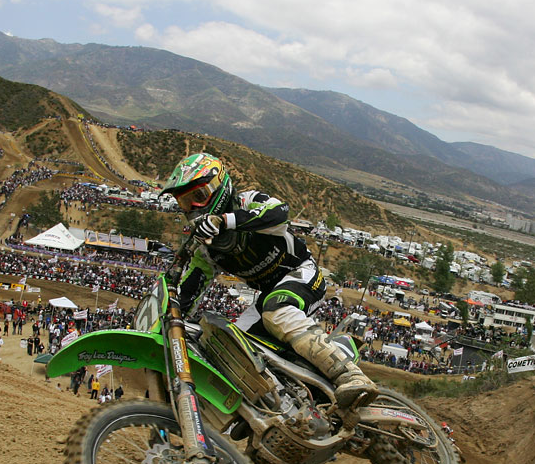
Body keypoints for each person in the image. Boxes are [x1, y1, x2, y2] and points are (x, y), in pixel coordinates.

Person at [160, 152, 377, 427]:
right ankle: (274, 411)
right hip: (267, 296)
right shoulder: (205, 248)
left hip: (302, 274)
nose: (192, 207)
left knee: (278, 309)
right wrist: (169, 315)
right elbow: (188, 291)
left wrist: (224, 220)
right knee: (232, 344)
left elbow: (279, 214)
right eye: (184, 202)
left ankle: (350, 375)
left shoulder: (249, 202)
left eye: (198, 196)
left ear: (219, 187)